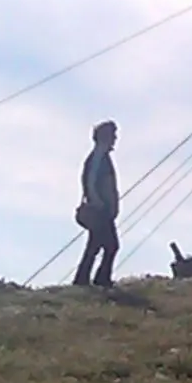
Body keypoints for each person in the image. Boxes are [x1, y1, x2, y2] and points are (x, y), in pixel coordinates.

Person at [73, 120, 119, 288]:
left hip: (101, 208)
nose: (115, 138)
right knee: (111, 245)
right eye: (113, 135)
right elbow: (90, 181)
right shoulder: (99, 156)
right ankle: (100, 279)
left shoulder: (101, 156)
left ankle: (83, 279)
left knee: (95, 245)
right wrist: (98, 201)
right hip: (100, 209)